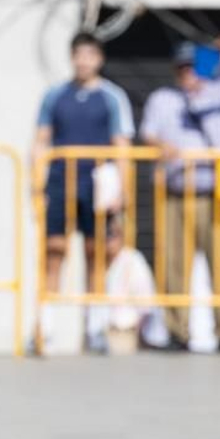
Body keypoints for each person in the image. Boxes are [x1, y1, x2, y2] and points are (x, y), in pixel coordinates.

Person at [138, 36, 220, 351]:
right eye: (183, 67)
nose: (189, 73)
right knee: (174, 263)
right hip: (176, 192)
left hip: (216, 192)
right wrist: (162, 146)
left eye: (194, 66)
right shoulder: (163, 99)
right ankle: (177, 331)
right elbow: (148, 133)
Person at [33, 32, 135, 334]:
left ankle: (95, 326)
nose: (83, 61)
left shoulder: (112, 97)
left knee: (97, 252)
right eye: (79, 55)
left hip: (97, 184)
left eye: (90, 55)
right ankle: (45, 327)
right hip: (60, 181)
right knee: (54, 249)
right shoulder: (55, 95)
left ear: (99, 59)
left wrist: (123, 190)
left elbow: (122, 145)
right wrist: (36, 186)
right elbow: (40, 141)